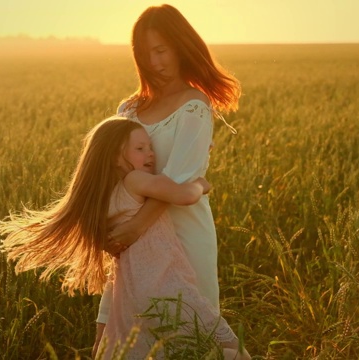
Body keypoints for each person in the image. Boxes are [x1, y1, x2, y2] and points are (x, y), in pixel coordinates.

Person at [0, 118, 250, 359]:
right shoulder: (135, 180)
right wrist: (201, 183)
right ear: (115, 157)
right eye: (140, 148)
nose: (150, 154)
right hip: (167, 286)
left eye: (150, 147)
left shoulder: (104, 197)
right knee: (234, 351)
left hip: (133, 293)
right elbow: (183, 194)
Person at [95, 2, 242, 354]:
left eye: (161, 50)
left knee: (191, 336)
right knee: (117, 333)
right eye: (146, 54)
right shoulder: (128, 109)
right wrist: (117, 231)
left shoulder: (194, 105)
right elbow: (113, 173)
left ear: (179, 46)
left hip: (182, 233)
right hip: (135, 245)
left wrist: (131, 231)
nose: (155, 62)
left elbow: (179, 181)